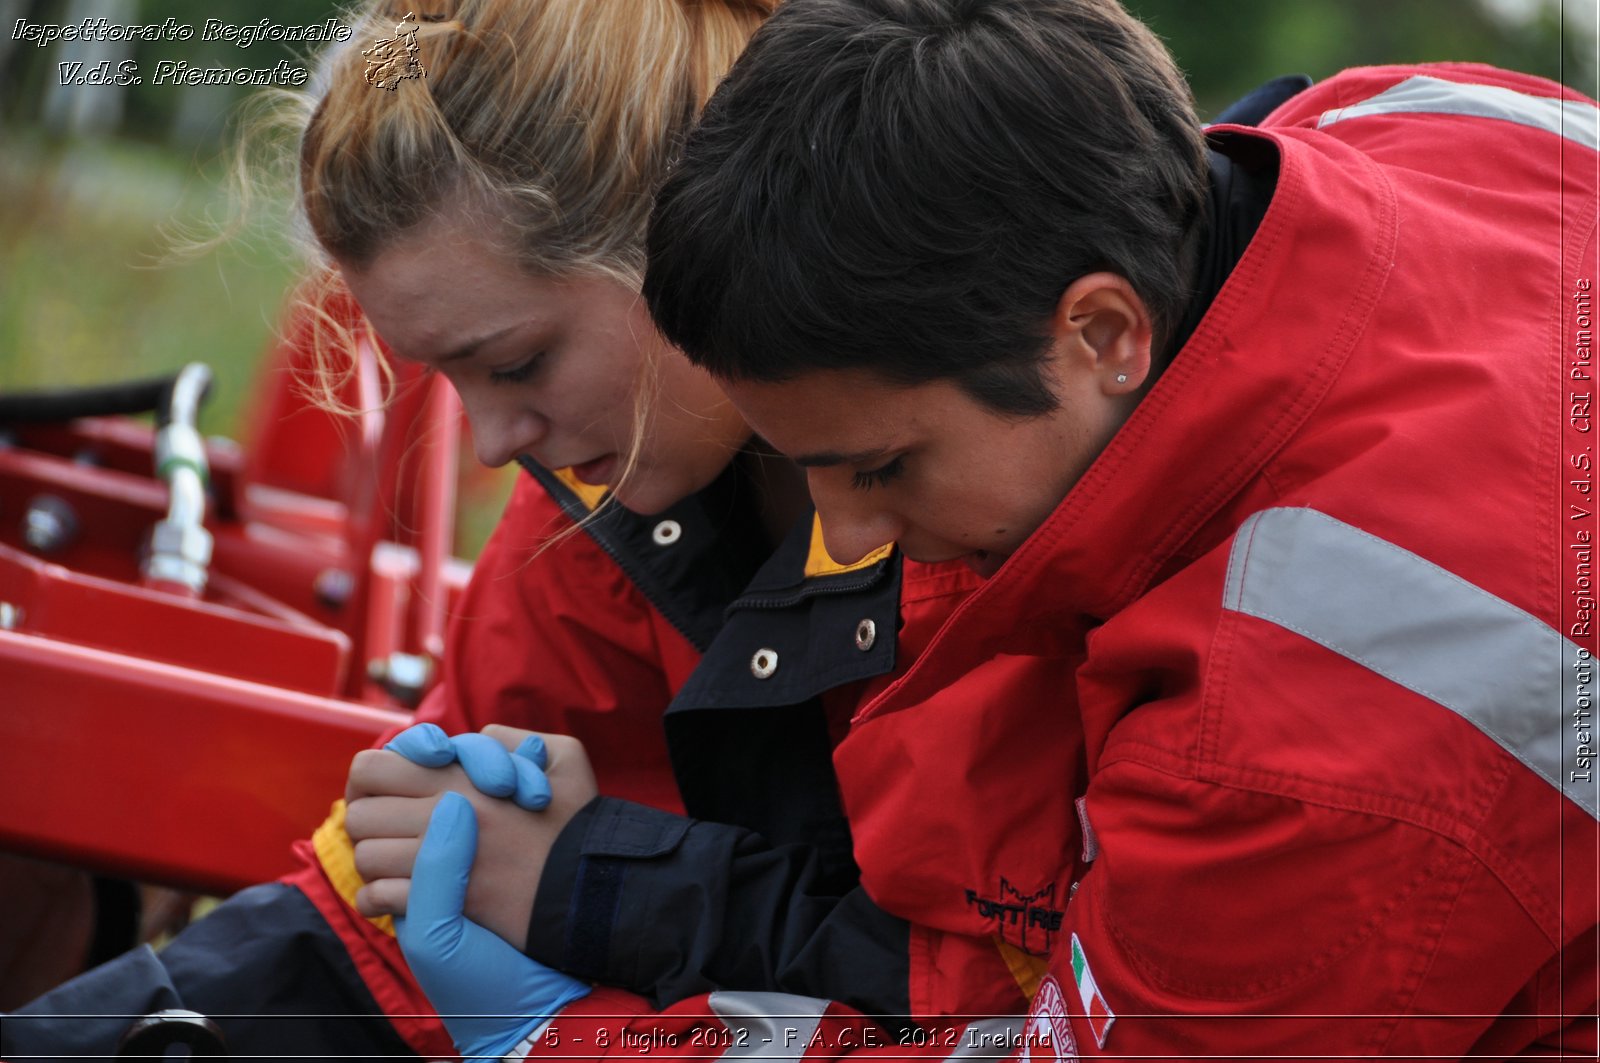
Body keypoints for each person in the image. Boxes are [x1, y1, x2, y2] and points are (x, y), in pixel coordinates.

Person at [388, 0, 1598, 1058]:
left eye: (880, 466)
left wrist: (569, 1042)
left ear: (1103, 333)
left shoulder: (1299, 725)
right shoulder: (1435, 123)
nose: (851, 530)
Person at [1, 0, 1074, 1059]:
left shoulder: (1001, 525)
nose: (490, 443)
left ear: (693, 239)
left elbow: (990, 1002)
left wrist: (596, 896)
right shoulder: (602, 513)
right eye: (447, 377)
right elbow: (390, 937)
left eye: (515, 363)